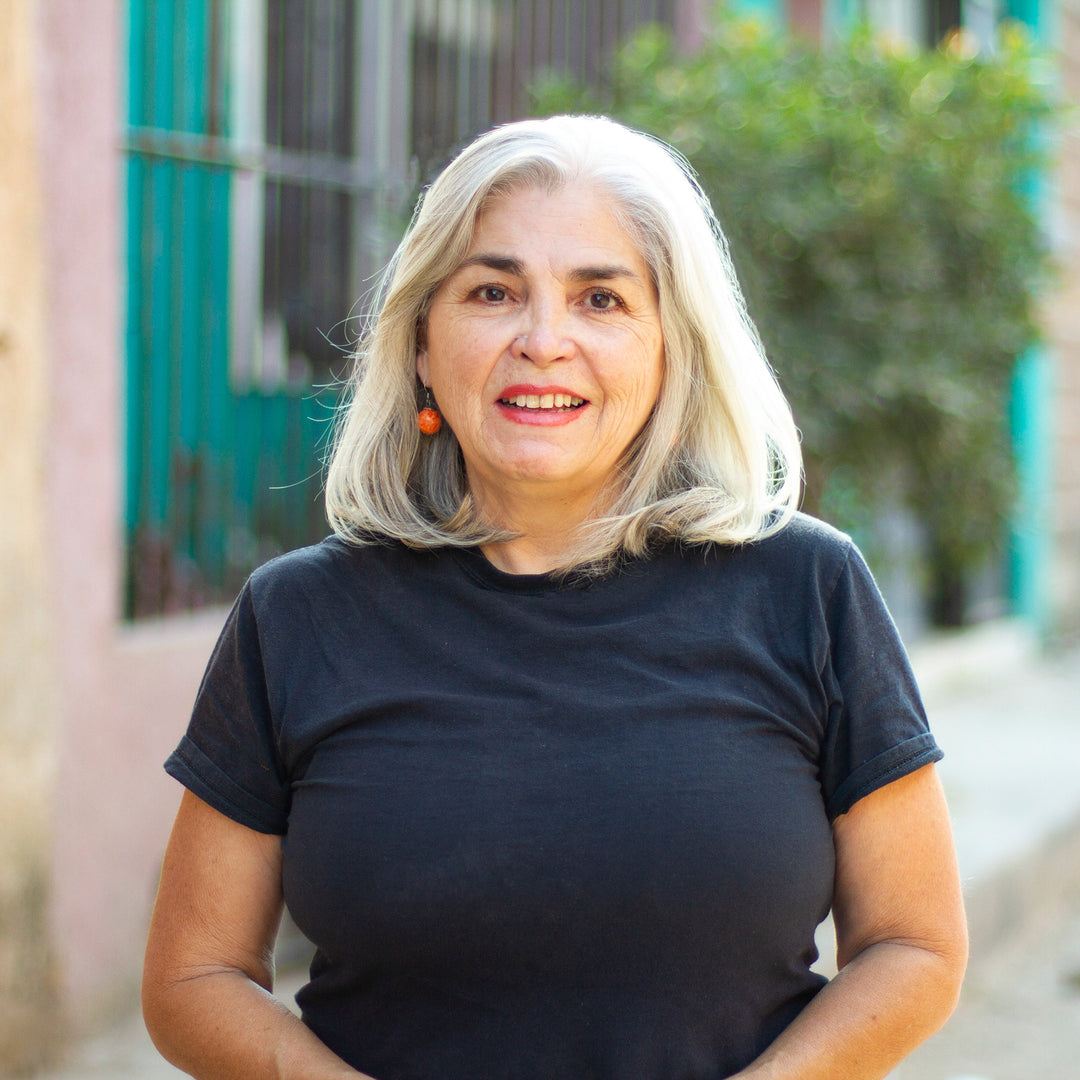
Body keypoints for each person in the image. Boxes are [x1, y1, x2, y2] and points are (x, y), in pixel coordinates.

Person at [142, 114, 967, 1080]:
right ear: (420, 342)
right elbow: (192, 977)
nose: (544, 341)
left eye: (601, 299)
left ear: (671, 347)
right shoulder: (298, 618)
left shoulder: (806, 589)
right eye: (493, 291)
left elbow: (915, 945)